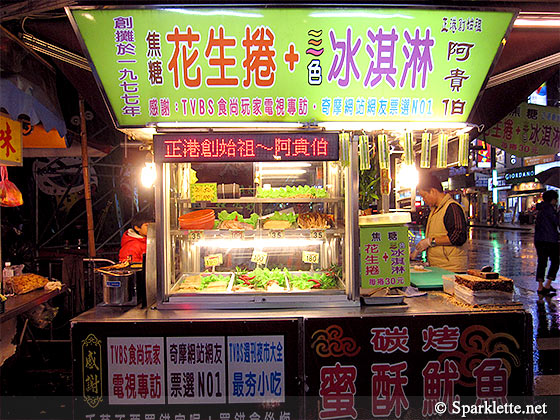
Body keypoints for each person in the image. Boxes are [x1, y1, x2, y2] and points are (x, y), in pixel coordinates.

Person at [411, 173, 468, 272]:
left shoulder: (452, 207)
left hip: (452, 269)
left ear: (433, 191)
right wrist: (420, 248)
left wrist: (430, 242)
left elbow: (458, 237)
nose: (424, 200)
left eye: (424, 196)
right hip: (439, 268)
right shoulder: (435, 210)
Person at [534, 190, 559, 296]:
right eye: (555, 199)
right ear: (552, 200)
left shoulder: (541, 209)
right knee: (555, 261)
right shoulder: (550, 210)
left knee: (542, 262)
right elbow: (557, 222)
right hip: (550, 240)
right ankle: (548, 284)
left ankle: (540, 286)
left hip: (539, 240)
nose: (556, 201)